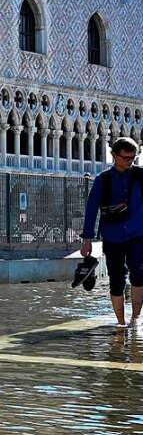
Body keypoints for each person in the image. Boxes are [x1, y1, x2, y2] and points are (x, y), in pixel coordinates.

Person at [81, 136, 143, 327]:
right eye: (126, 158)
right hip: (112, 236)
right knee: (116, 278)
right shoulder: (103, 180)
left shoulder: (141, 176)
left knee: (139, 275)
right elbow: (91, 209)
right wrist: (87, 239)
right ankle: (121, 323)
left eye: (133, 158)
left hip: (138, 234)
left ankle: (135, 318)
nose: (130, 162)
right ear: (114, 156)